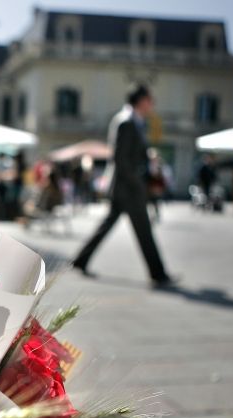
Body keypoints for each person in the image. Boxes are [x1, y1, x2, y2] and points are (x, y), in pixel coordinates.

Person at [72, 85, 175, 287]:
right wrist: (139, 182)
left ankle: (80, 260)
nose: (152, 104)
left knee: (110, 225)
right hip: (128, 188)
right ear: (141, 100)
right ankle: (158, 273)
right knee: (144, 231)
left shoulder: (133, 121)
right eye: (150, 99)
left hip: (125, 187)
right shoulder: (126, 122)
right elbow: (121, 158)